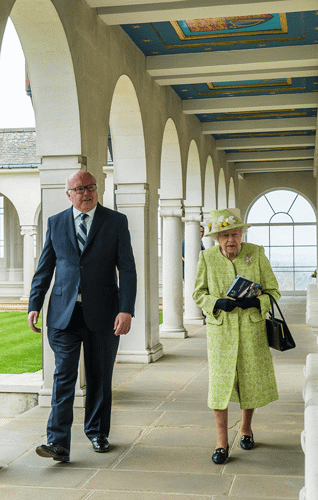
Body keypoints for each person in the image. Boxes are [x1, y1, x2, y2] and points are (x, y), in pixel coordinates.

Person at [28, 170, 137, 463]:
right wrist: (34, 303)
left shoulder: (115, 222)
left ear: (97, 189)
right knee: (63, 376)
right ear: (69, 194)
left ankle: (98, 432)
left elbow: (126, 268)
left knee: (100, 376)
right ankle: (57, 442)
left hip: (103, 313)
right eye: (78, 189)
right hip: (63, 314)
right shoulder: (55, 222)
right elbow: (45, 267)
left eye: (90, 187)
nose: (85, 193)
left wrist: (126, 309)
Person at [192, 208, 280, 465]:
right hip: (221, 332)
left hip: (252, 329)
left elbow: (274, 291)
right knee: (220, 386)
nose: (231, 240)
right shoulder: (207, 257)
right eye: (225, 235)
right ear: (216, 238)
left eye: (235, 234)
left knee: (249, 380)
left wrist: (256, 304)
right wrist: (217, 302)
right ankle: (221, 442)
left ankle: (246, 429)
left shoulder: (256, 253)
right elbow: (198, 294)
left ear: (241, 234)